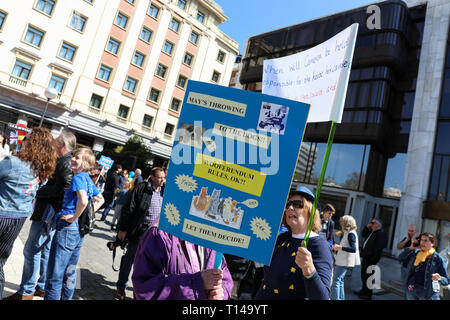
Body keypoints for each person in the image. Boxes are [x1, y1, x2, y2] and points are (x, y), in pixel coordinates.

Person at [5, 130, 76, 300]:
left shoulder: (65, 163)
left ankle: (26, 291)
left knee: (31, 250)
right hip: (50, 213)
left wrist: (39, 190)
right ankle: (40, 287)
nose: (54, 143)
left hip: (48, 213)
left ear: (62, 145)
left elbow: (64, 186)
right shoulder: (62, 161)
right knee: (43, 250)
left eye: (57, 141)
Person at [0, 127, 57, 300]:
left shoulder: (13, 162)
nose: (23, 141)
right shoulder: (43, 170)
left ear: (31, 143)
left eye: (26, 138)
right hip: (18, 219)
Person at [44, 148, 104, 300]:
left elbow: (84, 201)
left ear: (85, 162)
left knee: (54, 274)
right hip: (78, 231)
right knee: (71, 271)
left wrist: (74, 217)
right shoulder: (87, 179)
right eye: (73, 156)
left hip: (68, 228)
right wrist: (84, 216)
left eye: (77, 157)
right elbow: (100, 200)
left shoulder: (78, 178)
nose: (72, 159)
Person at [254, 186, 333, 300]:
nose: (290, 208)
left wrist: (309, 270)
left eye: (297, 204)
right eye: (288, 205)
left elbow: (323, 298)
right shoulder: (281, 239)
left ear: (310, 210)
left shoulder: (319, 245)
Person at [132, 227, 233, 300]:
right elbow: (144, 290)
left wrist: (221, 293)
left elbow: (225, 278)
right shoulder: (158, 235)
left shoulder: (211, 238)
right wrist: (196, 283)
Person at [114, 167, 166, 300]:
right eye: (159, 177)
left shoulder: (164, 191)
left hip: (155, 233)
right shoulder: (141, 188)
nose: (162, 180)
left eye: (163, 177)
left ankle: (141, 291)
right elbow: (129, 208)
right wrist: (123, 229)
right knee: (130, 259)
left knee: (149, 264)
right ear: (152, 176)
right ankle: (121, 287)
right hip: (140, 231)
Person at [398, 232, 449, 300]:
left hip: (427, 294)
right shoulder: (415, 254)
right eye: (421, 240)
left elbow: (447, 281)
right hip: (411, 289)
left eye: (425, 240)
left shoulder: (438, 259)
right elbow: (400, 259)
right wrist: (411, 248)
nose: (422, 242)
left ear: (433, 243)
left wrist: (440, 278)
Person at [354, 218, 387, 300]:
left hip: (371, 259)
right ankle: (363, 290)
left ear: (378, 225)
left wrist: (373, 259)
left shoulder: (380, 234)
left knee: (369, 277)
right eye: (371, 222)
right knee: (363, 275)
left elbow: (378, 249)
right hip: (365, 258)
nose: (371, 224)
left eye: (373, 223)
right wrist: (366, 227)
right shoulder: (371, 232)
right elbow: (363, 234)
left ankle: (368, 295)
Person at [331, 215, 360, 300]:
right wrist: (338, 250)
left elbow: (353, 249)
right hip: (344, 260)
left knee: (336, 281)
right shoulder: (350, 232)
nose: (341, 224)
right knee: (340, 280)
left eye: (342, 223)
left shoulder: (351, 234)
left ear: (346, 224)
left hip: (344, 261)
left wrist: (339, 248)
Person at [396, 224, 417, 296]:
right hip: (405, 267)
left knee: (411, 289)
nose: (410, 232)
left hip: (413, 269)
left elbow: (415, 249)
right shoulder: (406, 238)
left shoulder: (419, 240)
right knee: (405, 286)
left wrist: (412, 240)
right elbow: (398, 247)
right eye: (409, 231)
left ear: (416, 231)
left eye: (412, 231)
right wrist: (407, 240)